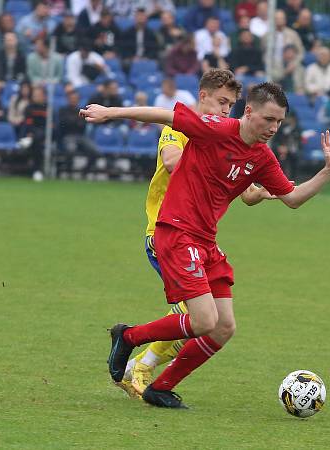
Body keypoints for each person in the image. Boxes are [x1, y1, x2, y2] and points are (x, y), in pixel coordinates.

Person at [81, 78, 330, 409]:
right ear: (249, 112)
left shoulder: (262, 157)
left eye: (279, 122)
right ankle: (128, 337)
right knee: (203, 320)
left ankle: (159, 388)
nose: (274, 128)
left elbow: (291, 198)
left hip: (205, 240)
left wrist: (328, 170)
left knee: (224, 327)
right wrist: (110, 113)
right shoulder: (216, 129)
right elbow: (163, 116)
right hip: (176, 231)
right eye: (268, 119)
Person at [117, 70, 281, 396]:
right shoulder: (180, 129)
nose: (225, 111)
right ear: (202, 96)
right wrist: (206, 142)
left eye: (231, 106)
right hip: (164, 230)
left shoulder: (221, 136)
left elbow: (241, 191)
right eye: (221, 102)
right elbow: (172, 162)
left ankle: (146, 367)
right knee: (196, 313)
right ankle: (141, 363)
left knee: (217, 321)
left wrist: (258, 191)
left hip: (198, 236)